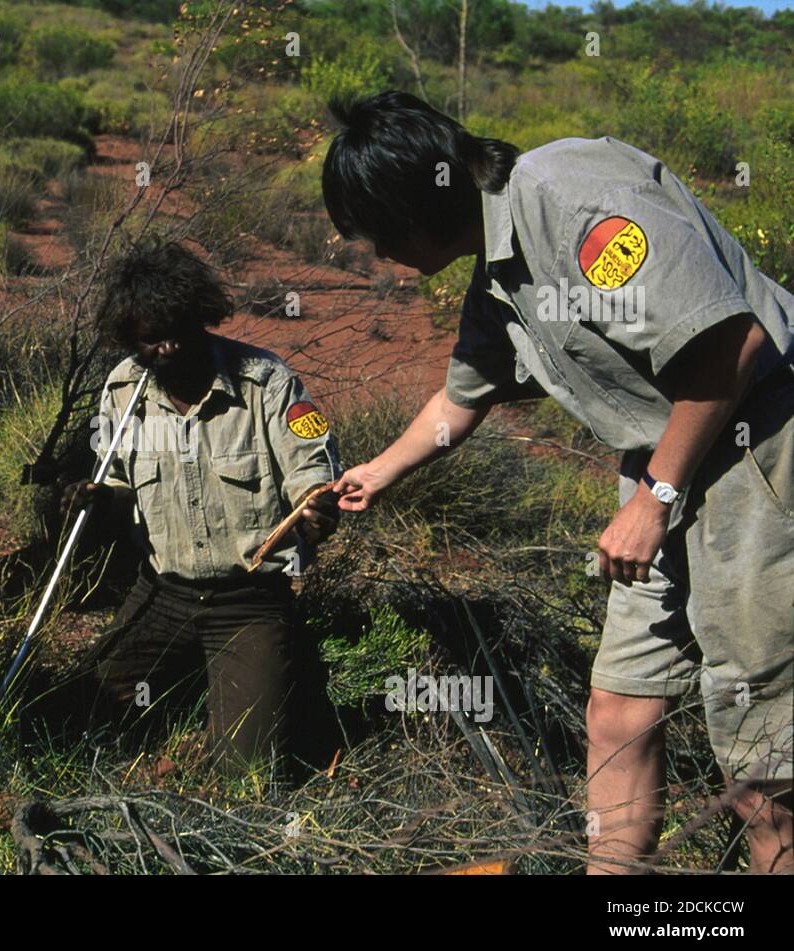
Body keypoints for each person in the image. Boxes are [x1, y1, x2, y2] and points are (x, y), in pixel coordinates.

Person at [321, 90, 793, 873]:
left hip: (756, 454)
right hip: (667, 474)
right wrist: (376, 472)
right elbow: (459, 398)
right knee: (619, 710)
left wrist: (656, 499)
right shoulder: (497, 273)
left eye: (376, 236)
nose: (380, 257)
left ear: (410, 204)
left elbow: (729, 346)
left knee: (766, 771)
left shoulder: (568, 199)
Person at [63, 241, 341, 774]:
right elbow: (119, 484)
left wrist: (317, 512)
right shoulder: (123, 392)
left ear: (202, 320)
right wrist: (96, 502)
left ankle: (252, 677)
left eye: (178, 333)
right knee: (79, 713)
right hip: (162, 593)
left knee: (248, 769)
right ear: (129, 338)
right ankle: (195, 681)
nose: (166, 349)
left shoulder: (268, 383)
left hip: (249, 600)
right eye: (150, 340)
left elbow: (315, 475)